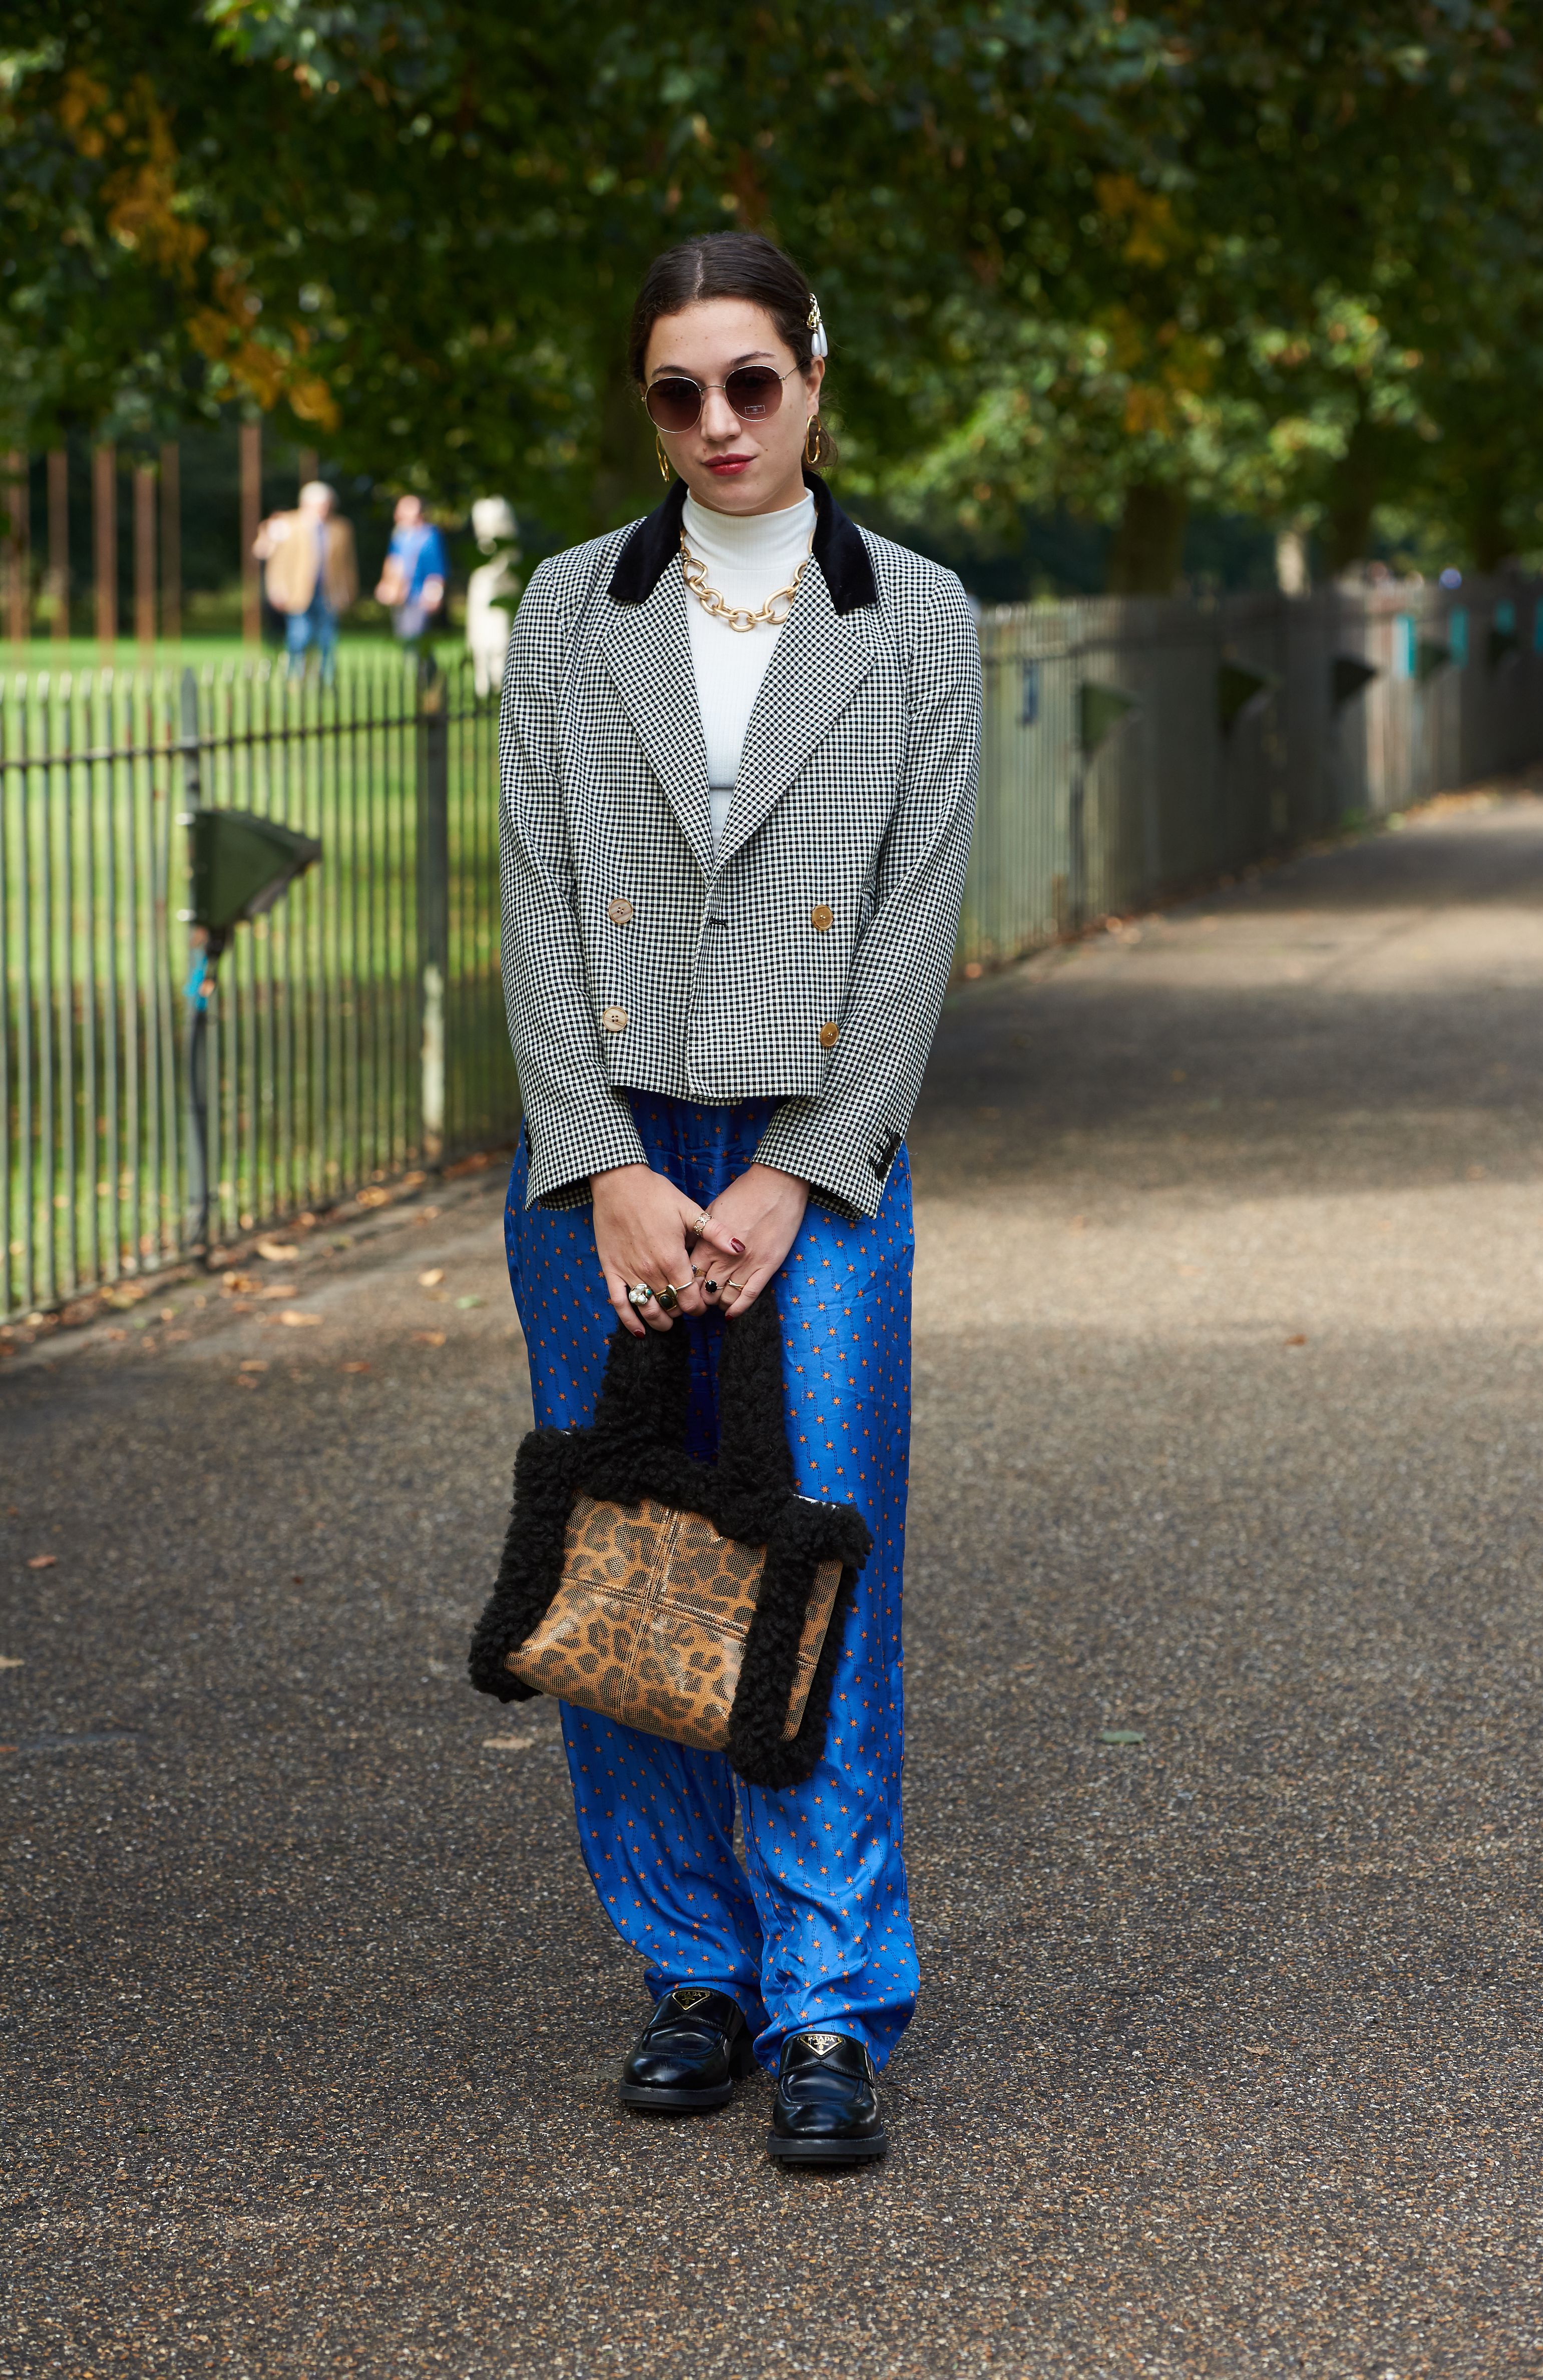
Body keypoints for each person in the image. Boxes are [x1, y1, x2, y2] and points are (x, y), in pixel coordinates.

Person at [498, 231, 980, 2165]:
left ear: (814, 373)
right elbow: (532, 898)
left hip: (819, 1157)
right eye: (676, 392)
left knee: (815, 1558)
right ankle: (688, 1964)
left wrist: (796, 1170)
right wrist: (601, 1161)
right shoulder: (564, 606)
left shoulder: (920, 616)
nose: (715, 423)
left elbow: (918, 919)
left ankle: (828, 2001)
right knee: (621, 1550)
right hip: (594, 1153)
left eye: (749, 383)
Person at [253, 481, 357, 679]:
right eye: (319, 505)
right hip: (298, 592)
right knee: (299, 635)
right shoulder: (287, 524)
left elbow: (348, 564)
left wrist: (349, 590)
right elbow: (276, 561)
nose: (323, 510)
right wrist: (277, 588)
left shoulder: (341, 528)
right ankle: (295, 676)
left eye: (326, 505)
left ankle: (327, 678)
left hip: (329, 593)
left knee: (328, 639)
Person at [465, 495, 521, 697]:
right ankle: (483, 683)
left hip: (500, 585)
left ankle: (500, 681)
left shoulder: (508, 548)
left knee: (500, 634)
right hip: (484, 585)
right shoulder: (482, 552)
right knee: (480, 635)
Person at [375, 493, 448, 645]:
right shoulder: (399, 534)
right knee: (404, 636)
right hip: (401, 593)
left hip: (419, 594)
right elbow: (393, 562)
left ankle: (426, 669)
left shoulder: (430, 535)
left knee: (417, 637)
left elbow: (436, 568)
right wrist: (386, 584)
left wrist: (434, 595)